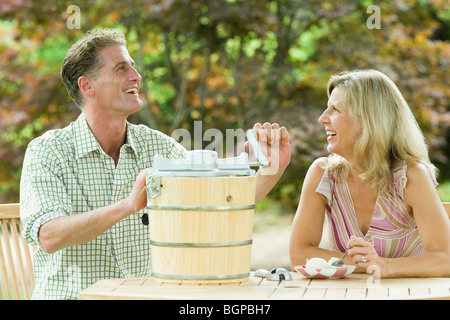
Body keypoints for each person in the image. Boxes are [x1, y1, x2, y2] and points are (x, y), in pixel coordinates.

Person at [20, 28, 290, 299]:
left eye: (134, 67)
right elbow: (49, 235)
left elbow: (221, 203)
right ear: (87, 85)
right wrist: (128, 206)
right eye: (121, 68)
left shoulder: (159, 147)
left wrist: (272, 168)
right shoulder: (48, 151)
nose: (136, 76)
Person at [289, 69, 450, 278]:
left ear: (368, 120)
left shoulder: (410, 178)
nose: (322, 118)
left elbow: (445, 259)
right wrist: (364, 262)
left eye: (335, 109)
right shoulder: (323, 175)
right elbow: (299, 255)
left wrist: (385, 266)